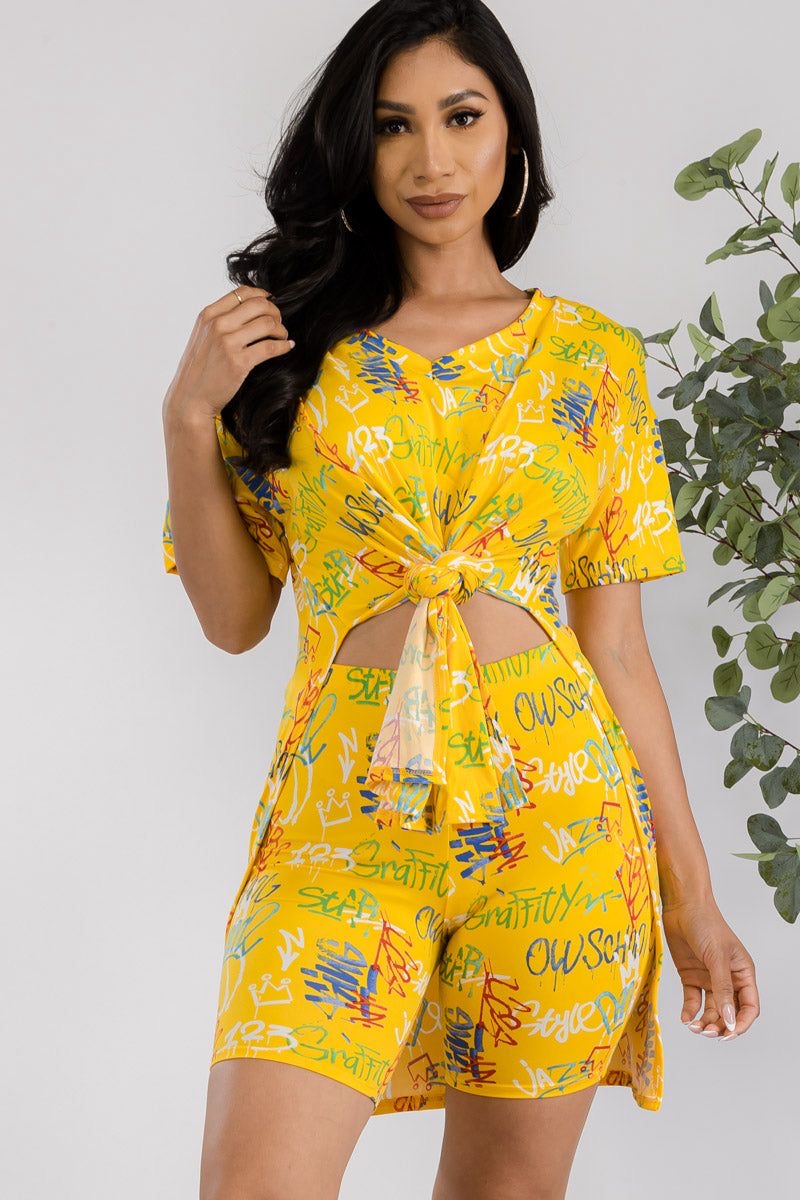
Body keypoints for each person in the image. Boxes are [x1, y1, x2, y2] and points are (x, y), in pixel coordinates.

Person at [161, 2, 760, 1197]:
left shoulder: (592, 359)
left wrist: (693, 900)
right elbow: (232, 623)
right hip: (341, 832)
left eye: (461, 117)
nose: (430, 160)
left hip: (560, 831)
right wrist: (186, 415)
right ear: (354, 144)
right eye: (393, 126)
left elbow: (618, 654)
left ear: (509, 134)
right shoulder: (285, 351)